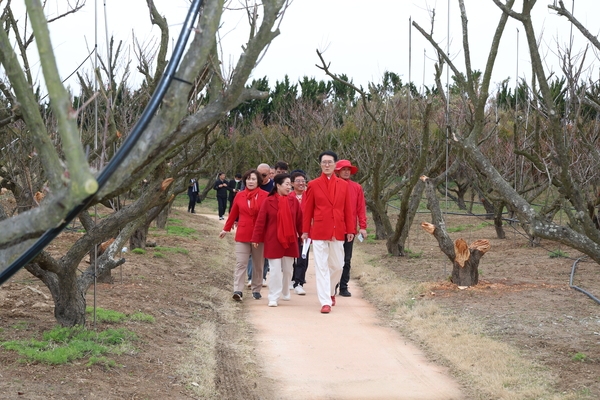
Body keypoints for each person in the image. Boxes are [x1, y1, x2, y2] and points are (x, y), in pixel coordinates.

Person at [301, 151, 355, 314]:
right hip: (319, 230)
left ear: (335, 165)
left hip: (338, 230)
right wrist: (305, 231)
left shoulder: (343, 185)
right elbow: (308, 209)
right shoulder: (314, 184)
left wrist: (350, 229)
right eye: (324, 162)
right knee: (321, 266)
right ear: (320, 164)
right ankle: (325, 301)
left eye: (329, 162)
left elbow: (348, 209)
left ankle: (331, 291)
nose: (326, 165)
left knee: (338, 266)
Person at [252, 174, 303, 307]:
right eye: (286, 184)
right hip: (273, 239)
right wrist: (256, 237)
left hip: (290, 239)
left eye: (289, 184)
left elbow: (299, 221)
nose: (289, 187)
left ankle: (285, 290)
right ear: (278, 185)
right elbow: (260, 221)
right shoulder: (268, 202)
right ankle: (273, 296)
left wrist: (303, 234)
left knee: (287, 270)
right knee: (274, 269)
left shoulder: (294, 202)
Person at [219, 170, 269, 301]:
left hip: (259, 235)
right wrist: (226, 229)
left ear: (258, 181)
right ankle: (238, 290)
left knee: (258, 264)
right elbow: (233, 213)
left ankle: (256, 289)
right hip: (243, 233)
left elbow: (269, 216)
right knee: (241, 263)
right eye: (248, 179)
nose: (250, 181)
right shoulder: (239, 196)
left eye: (253, 179)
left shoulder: (266, 196)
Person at [334, 160, 368, 297]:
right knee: (334, 259)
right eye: (343, 169)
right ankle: (332, 285)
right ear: (338, 171)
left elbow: (361, 208)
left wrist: (363, 226)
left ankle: (343, 286)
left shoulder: (356, 187)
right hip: (335, 228)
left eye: (348, 169)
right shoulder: (334, 185)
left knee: (346, 259)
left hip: (350, 229)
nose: (346, 172)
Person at [289, 170, 309, 295]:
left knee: (303, 257)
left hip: (306, 232)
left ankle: (299, 282)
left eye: (303, 181)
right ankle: (291, 279)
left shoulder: (309, 195)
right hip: (292, 232)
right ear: (292, 184)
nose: (301, 183)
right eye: (298, 181)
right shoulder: (288, 197)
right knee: (291, 258)